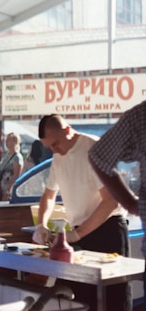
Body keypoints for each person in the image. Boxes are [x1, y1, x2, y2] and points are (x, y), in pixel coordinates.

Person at [32, 114, 130, 311]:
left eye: (56, 144)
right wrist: (41, 224)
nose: (54, 150)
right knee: (77, 298)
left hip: (108, 229)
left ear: (68, 131)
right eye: (49, 146)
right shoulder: (58, 157)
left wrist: (77, 234)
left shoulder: (95, 149)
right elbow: (49, 196)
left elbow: (110, 201)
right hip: (81, 231)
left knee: (112, 298)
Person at [88, 101, 146, 310]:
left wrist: (130, 203)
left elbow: (98, 156)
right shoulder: (140, 117)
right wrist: (130, 202)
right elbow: (99, 156)